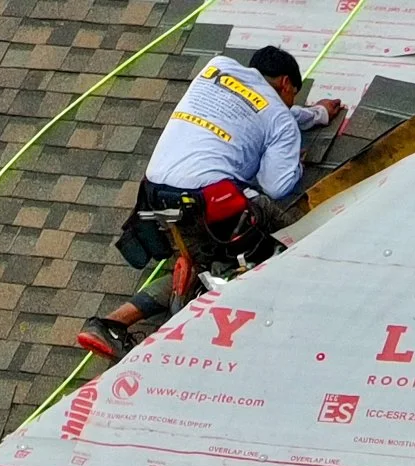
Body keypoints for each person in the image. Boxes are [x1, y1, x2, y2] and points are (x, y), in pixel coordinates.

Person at [76, 46, 342, 361]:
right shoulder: (279, 117)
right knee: (284, 239)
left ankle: (111, 323)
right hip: (208, 206)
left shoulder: (216, 70)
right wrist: (294, 159)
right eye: (293, 95)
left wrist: (318, 113)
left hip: (156, 201)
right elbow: (278, 183)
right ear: (286, 83)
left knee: (201, 252)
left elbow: (266, 111)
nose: (291, 103)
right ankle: (209, 284)